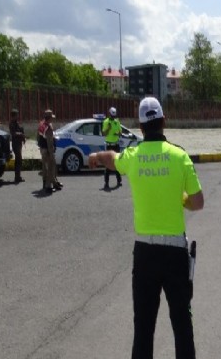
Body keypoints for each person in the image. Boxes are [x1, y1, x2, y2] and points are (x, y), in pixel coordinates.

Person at [88, 97, 204, 359]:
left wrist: (95, 156)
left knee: (143, 328)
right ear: (164, 121)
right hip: (174, 253)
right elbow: (198, 202)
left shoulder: (133, 157)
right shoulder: (179, 156)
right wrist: (181, 199)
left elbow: (111, 157)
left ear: (140, 127)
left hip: (144, 254)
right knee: (182, 327)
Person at [37, 109, 62, 194]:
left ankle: (46, 184)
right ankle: (49, 186)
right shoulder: (48, 128)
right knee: (50, 167)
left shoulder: (41, 124)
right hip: (47, 149)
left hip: (42, 148)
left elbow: (39, 137)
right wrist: (51, 154)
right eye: (52, 117)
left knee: (45, 167)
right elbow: (50, 143)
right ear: (49, 118)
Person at [102, 107, 122, 189]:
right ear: (109, 114)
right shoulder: (106, 122)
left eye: (114, 116)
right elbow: (104, 133)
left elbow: (120, 132)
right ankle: (106, 183)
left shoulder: (117, 121)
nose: (113, 117)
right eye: (112, 115)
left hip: (116, 145)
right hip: (109, 145)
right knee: (108, 164)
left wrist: (117, 133)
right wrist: (108, 128)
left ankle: (119, 180)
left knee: (117, 163)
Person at [9, 108, 26, 183]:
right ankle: (17, 177)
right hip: (15, 144)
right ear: (13, 115)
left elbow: (20, 130)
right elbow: (13, 133)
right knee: (18, 160)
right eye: (16, 115)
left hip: (19, 143)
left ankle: (18, 176)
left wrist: (23, 137)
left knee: (19, 160)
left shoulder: (16, 123)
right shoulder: (12, 123)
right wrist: (21, 134)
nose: (18, 116)